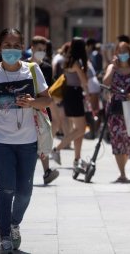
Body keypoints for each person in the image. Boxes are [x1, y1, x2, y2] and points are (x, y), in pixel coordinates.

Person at [0, 28, 52, 253]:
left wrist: (33, 102)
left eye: (17, 46)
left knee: (25, 191)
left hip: (27, 141)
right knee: (6, 189)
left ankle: (14, 222)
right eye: (7, 45)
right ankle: (5, 235)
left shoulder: (33, 71)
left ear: (22, 48)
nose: (11, 50)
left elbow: (48, 100)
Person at [102, 41, 130, 182]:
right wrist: (113, 68)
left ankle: (122, 168)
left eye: (125, 51)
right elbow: (105, 83)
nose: (123, 54)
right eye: (120, 51)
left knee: (128, 143)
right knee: (117, 140)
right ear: (116, 53)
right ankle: (122, 173)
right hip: (115, 108)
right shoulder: (112, 68)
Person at [50, 37, 89, 169]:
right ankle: (57, 149)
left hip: (70, 95)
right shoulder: (76, 63)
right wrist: (88, 95)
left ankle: (77, 159)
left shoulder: (68, 61)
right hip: (75, 95)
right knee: (81, 128)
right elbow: (84, 81)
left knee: (78, 130)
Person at [26, 35, 59, 184]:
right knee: (30, 140)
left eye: (44, 50)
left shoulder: (46, 67)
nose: (42, 52)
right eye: (39, 49)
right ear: (32, 48)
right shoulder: (24, 66)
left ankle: (46, 171)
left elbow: (48, 89)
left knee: (43, 137)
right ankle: (29, 171)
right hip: (27, 107)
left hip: (42, 107)